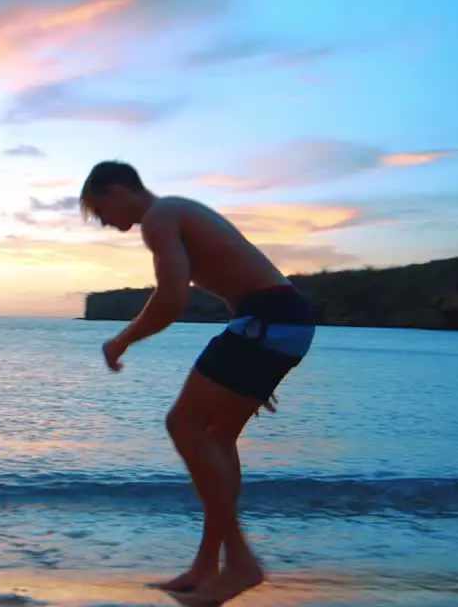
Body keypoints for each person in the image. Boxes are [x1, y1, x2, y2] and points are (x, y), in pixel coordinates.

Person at [79, 160, 317, 606]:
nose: (105, 223)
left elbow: (172, 299)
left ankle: (241, 562)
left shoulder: (160, 217)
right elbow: (236, 281)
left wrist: (121, 341)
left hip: (268, 321)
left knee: (182, 424)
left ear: (116, 190)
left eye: (98, 210)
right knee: (217, 435)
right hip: (278, 322)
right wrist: (256, 368)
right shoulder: (176, 212)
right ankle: (209, 566)